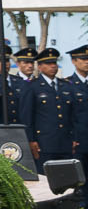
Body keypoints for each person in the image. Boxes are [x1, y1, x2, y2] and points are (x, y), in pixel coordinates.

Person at [25, 48, 75, 176]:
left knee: (68, 178)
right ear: (40, 67)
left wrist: (74, 138)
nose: (53, 66)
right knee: (46, 179)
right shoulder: (32, 87)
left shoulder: (66, 86)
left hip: (65, 141)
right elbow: (27, 117)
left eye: (54, 63)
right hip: (44, 143)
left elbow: (72, 114)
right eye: (48, 63)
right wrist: (31, 140)